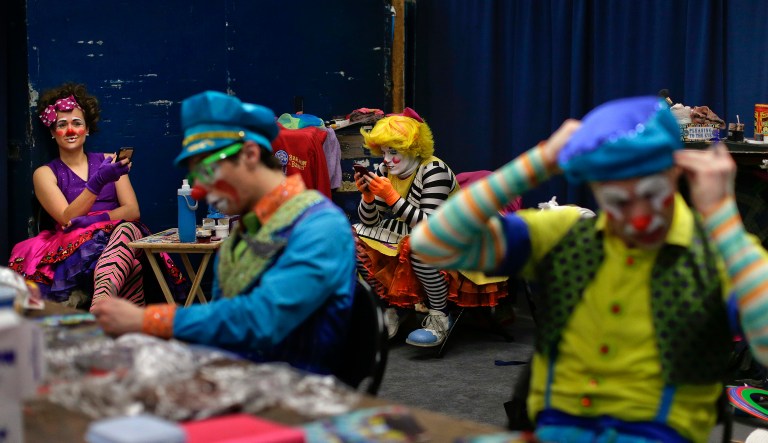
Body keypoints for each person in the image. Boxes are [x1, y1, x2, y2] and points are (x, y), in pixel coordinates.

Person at [410, 96, 768, 442]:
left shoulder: (715, 256)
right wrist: (538, 162)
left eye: (648, 191)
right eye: (617, 198)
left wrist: (722, 216)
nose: (636, 215)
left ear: (675, 172)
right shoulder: (565, 235)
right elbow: (433, 242)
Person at [92, 91, 357, 375]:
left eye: (208, 171)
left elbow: (261, 321)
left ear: (250, 155)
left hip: (302, 400)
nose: (200, 191)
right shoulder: (241, 235)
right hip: (244, 383)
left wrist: (150, 320)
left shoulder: (320, 226)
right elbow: (224, 331)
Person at [8, 82, 185, 310]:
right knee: (132, 263)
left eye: (77, 123)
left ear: (88, 129)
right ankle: (122, 320)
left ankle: (100, 304)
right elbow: (67, 218)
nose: (70, 130)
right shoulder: (44, 173)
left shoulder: (110, 160)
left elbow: (132, 211)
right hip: (76, 248)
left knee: (127, 228)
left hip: (118, 236)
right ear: (53, 133)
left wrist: (93, 219)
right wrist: (98, 181)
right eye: (62, 124)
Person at [353, 108, 507, 348]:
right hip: (411, 233)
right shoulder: (386, 171)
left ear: (413, 149)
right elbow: (371, 221)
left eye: (394, 152)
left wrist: (391, 197)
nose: (386, 159)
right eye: (383, 151)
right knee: (350, 239)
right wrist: (368, 197)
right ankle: (391, 309)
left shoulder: (434, 171)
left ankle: (439, 316)